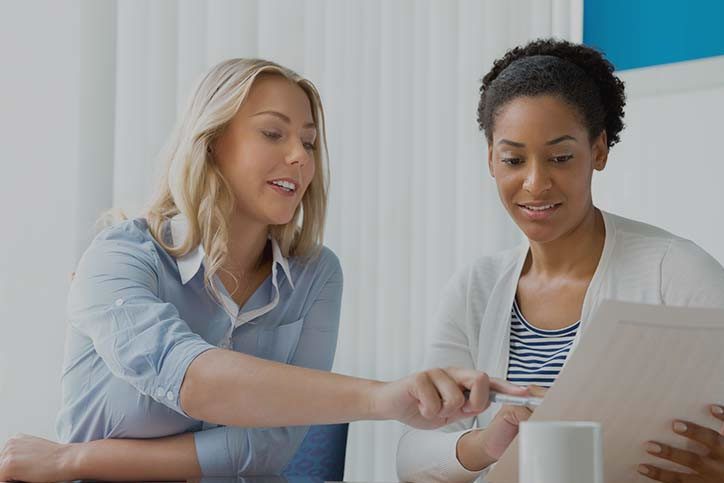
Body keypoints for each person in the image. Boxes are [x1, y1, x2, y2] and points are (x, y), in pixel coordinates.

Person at [0, 58, 525, 483]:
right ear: (210, 143)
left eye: (310, 142)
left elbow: (267, 445)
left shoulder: (317, 275)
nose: (299, 157)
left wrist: (74, 460)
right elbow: (190, 378)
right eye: (273, 134)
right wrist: (380, 397)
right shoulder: (119, 258)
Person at [396, 39, 724, 483]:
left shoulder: (676, 271)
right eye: (513, 159)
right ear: (491, 159)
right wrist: (485, 443)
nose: (535, 183)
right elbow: (413, 458)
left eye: (561, 157)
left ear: (600, 151)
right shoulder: (476, 288)